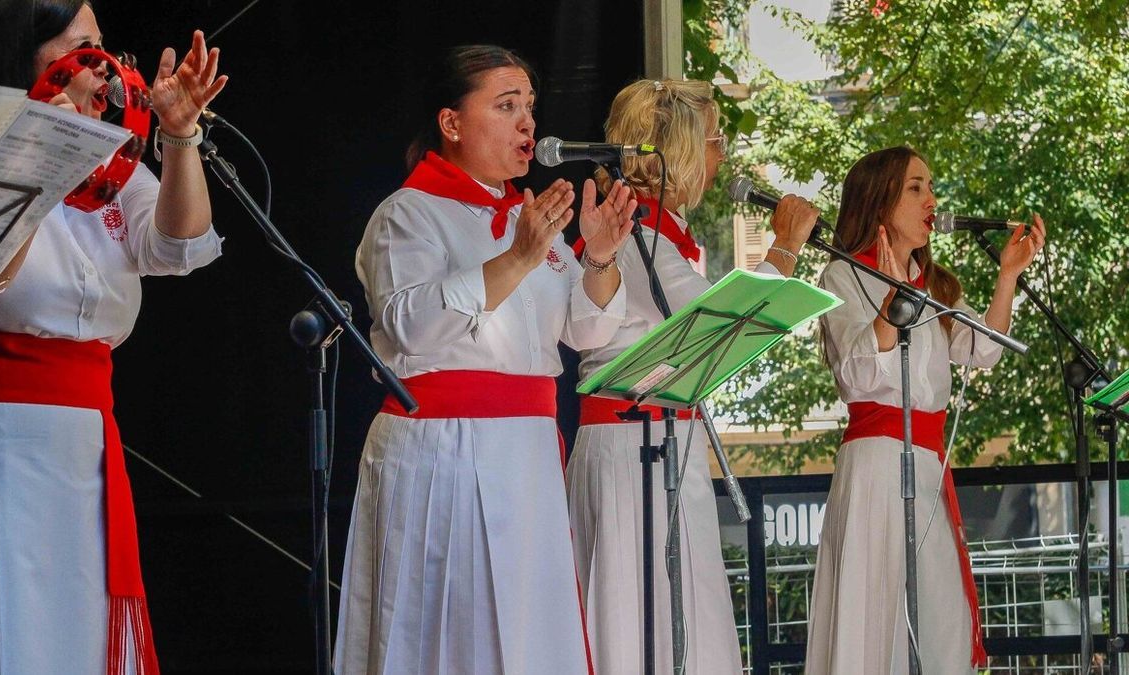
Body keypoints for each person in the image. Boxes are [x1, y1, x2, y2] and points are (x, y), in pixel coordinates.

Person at [0, 1, 227, 673]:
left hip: (79, 441)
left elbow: (179, 245)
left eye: (102, 46)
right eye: (79, 48)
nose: (104, 68)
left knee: (73, 635)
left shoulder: (113, 169)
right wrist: (40, 155)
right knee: (1, 627)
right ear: (25, 60)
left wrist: (178, 135)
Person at [335, 45, 638, 675]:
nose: (528, 123)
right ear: (452, 123)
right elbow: (411, 326)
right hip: (442, 450)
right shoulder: (408, 214)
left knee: (530, 641)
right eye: (506, 106)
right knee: (444, 639)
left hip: (525, 453)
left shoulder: (531, 220)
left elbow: (587, 331)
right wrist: (519, 257)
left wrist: (601, 256)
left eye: (529, 106)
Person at [565, 78, 820, 674]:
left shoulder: (665, 239)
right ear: (674, 150)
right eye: (714, 140)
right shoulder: (636, 235)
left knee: (679, 613)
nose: (722, 155)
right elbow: (718, 322)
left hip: (660, 444)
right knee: (640, 617)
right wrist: (783, 246)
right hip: (632, 447)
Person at [804, 146, 1045, 674]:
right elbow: (859, 370)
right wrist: (893, 307)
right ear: (880, 199)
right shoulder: (843, 277)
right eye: (916, 187)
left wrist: (1007, 276)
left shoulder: (932, 282)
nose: (931, 200)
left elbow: (982, 350)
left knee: (936, 617)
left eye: (930, 187)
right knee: (876, 616)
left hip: (927, 463)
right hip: (876, 461)